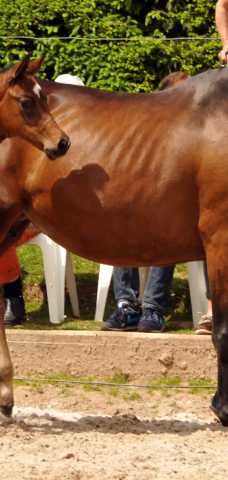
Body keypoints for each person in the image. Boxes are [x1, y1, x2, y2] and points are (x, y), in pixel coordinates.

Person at [0, 74, 86, 327]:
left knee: (0, 231)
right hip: (27, 212)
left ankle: (11, 298)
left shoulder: (81, 139)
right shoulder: (37, 131)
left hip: (49, 217)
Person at [100, 72, 191, 333]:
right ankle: (128, 307)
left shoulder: (199, 135)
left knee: (166, 228)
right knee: (124, 223)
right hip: (145, 206)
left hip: (179, 214)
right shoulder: (149, 132)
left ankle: (154, 308)